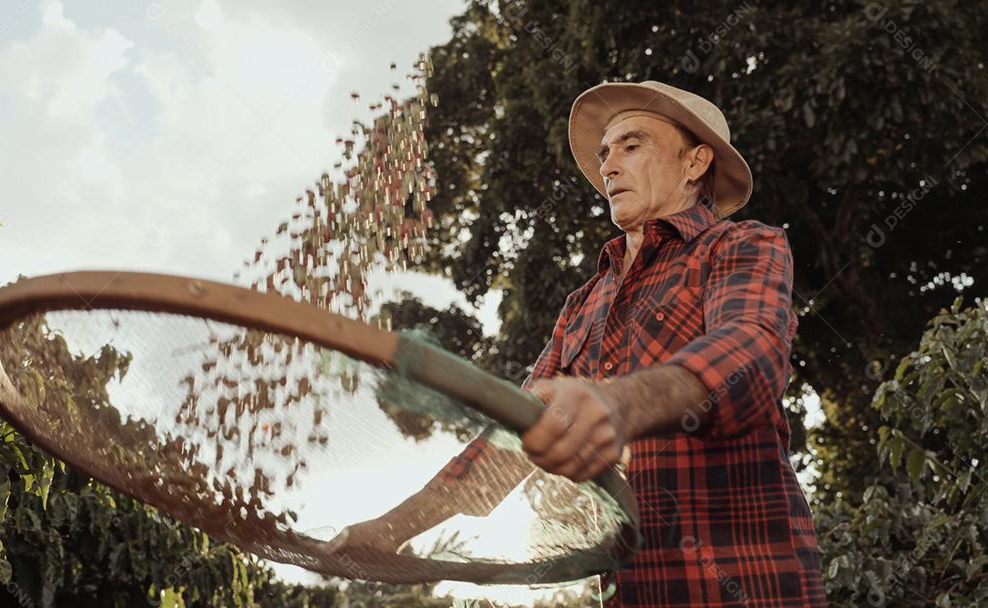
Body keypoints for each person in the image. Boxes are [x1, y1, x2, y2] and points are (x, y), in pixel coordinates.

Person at [333, 80, 825, 607]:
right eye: (605, 153)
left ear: (695, 162)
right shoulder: (582, 305)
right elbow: (515, 435)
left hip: (750, 580)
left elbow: (750, 354)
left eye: (632, 145)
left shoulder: (743, 245)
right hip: (632, 591)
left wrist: (617, 401)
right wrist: (392, 527)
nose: (610, 166)